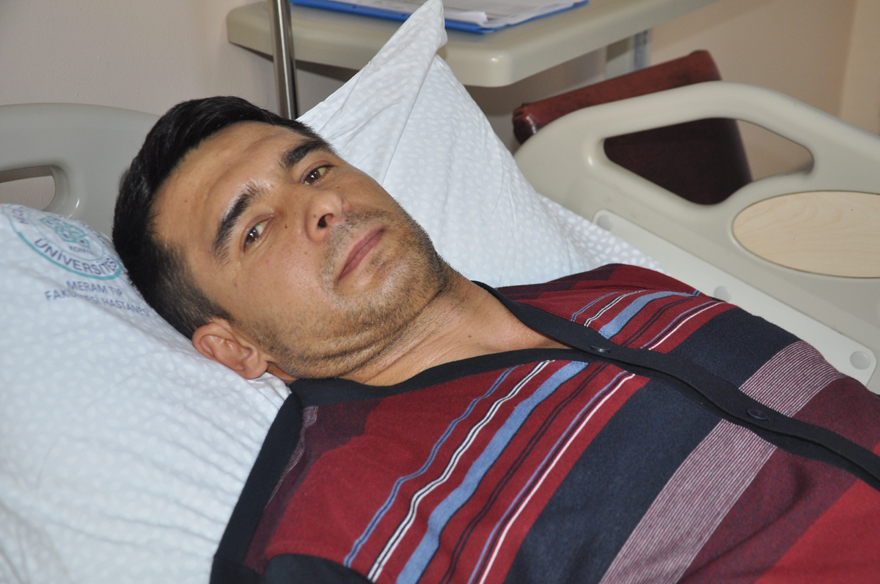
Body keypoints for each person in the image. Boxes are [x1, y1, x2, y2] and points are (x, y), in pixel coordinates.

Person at [114, 97, 880, 584]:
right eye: (254, 229)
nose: (323, 208)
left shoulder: (622, 290)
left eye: (314, 171)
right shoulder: (342, 535)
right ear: (235, 348)